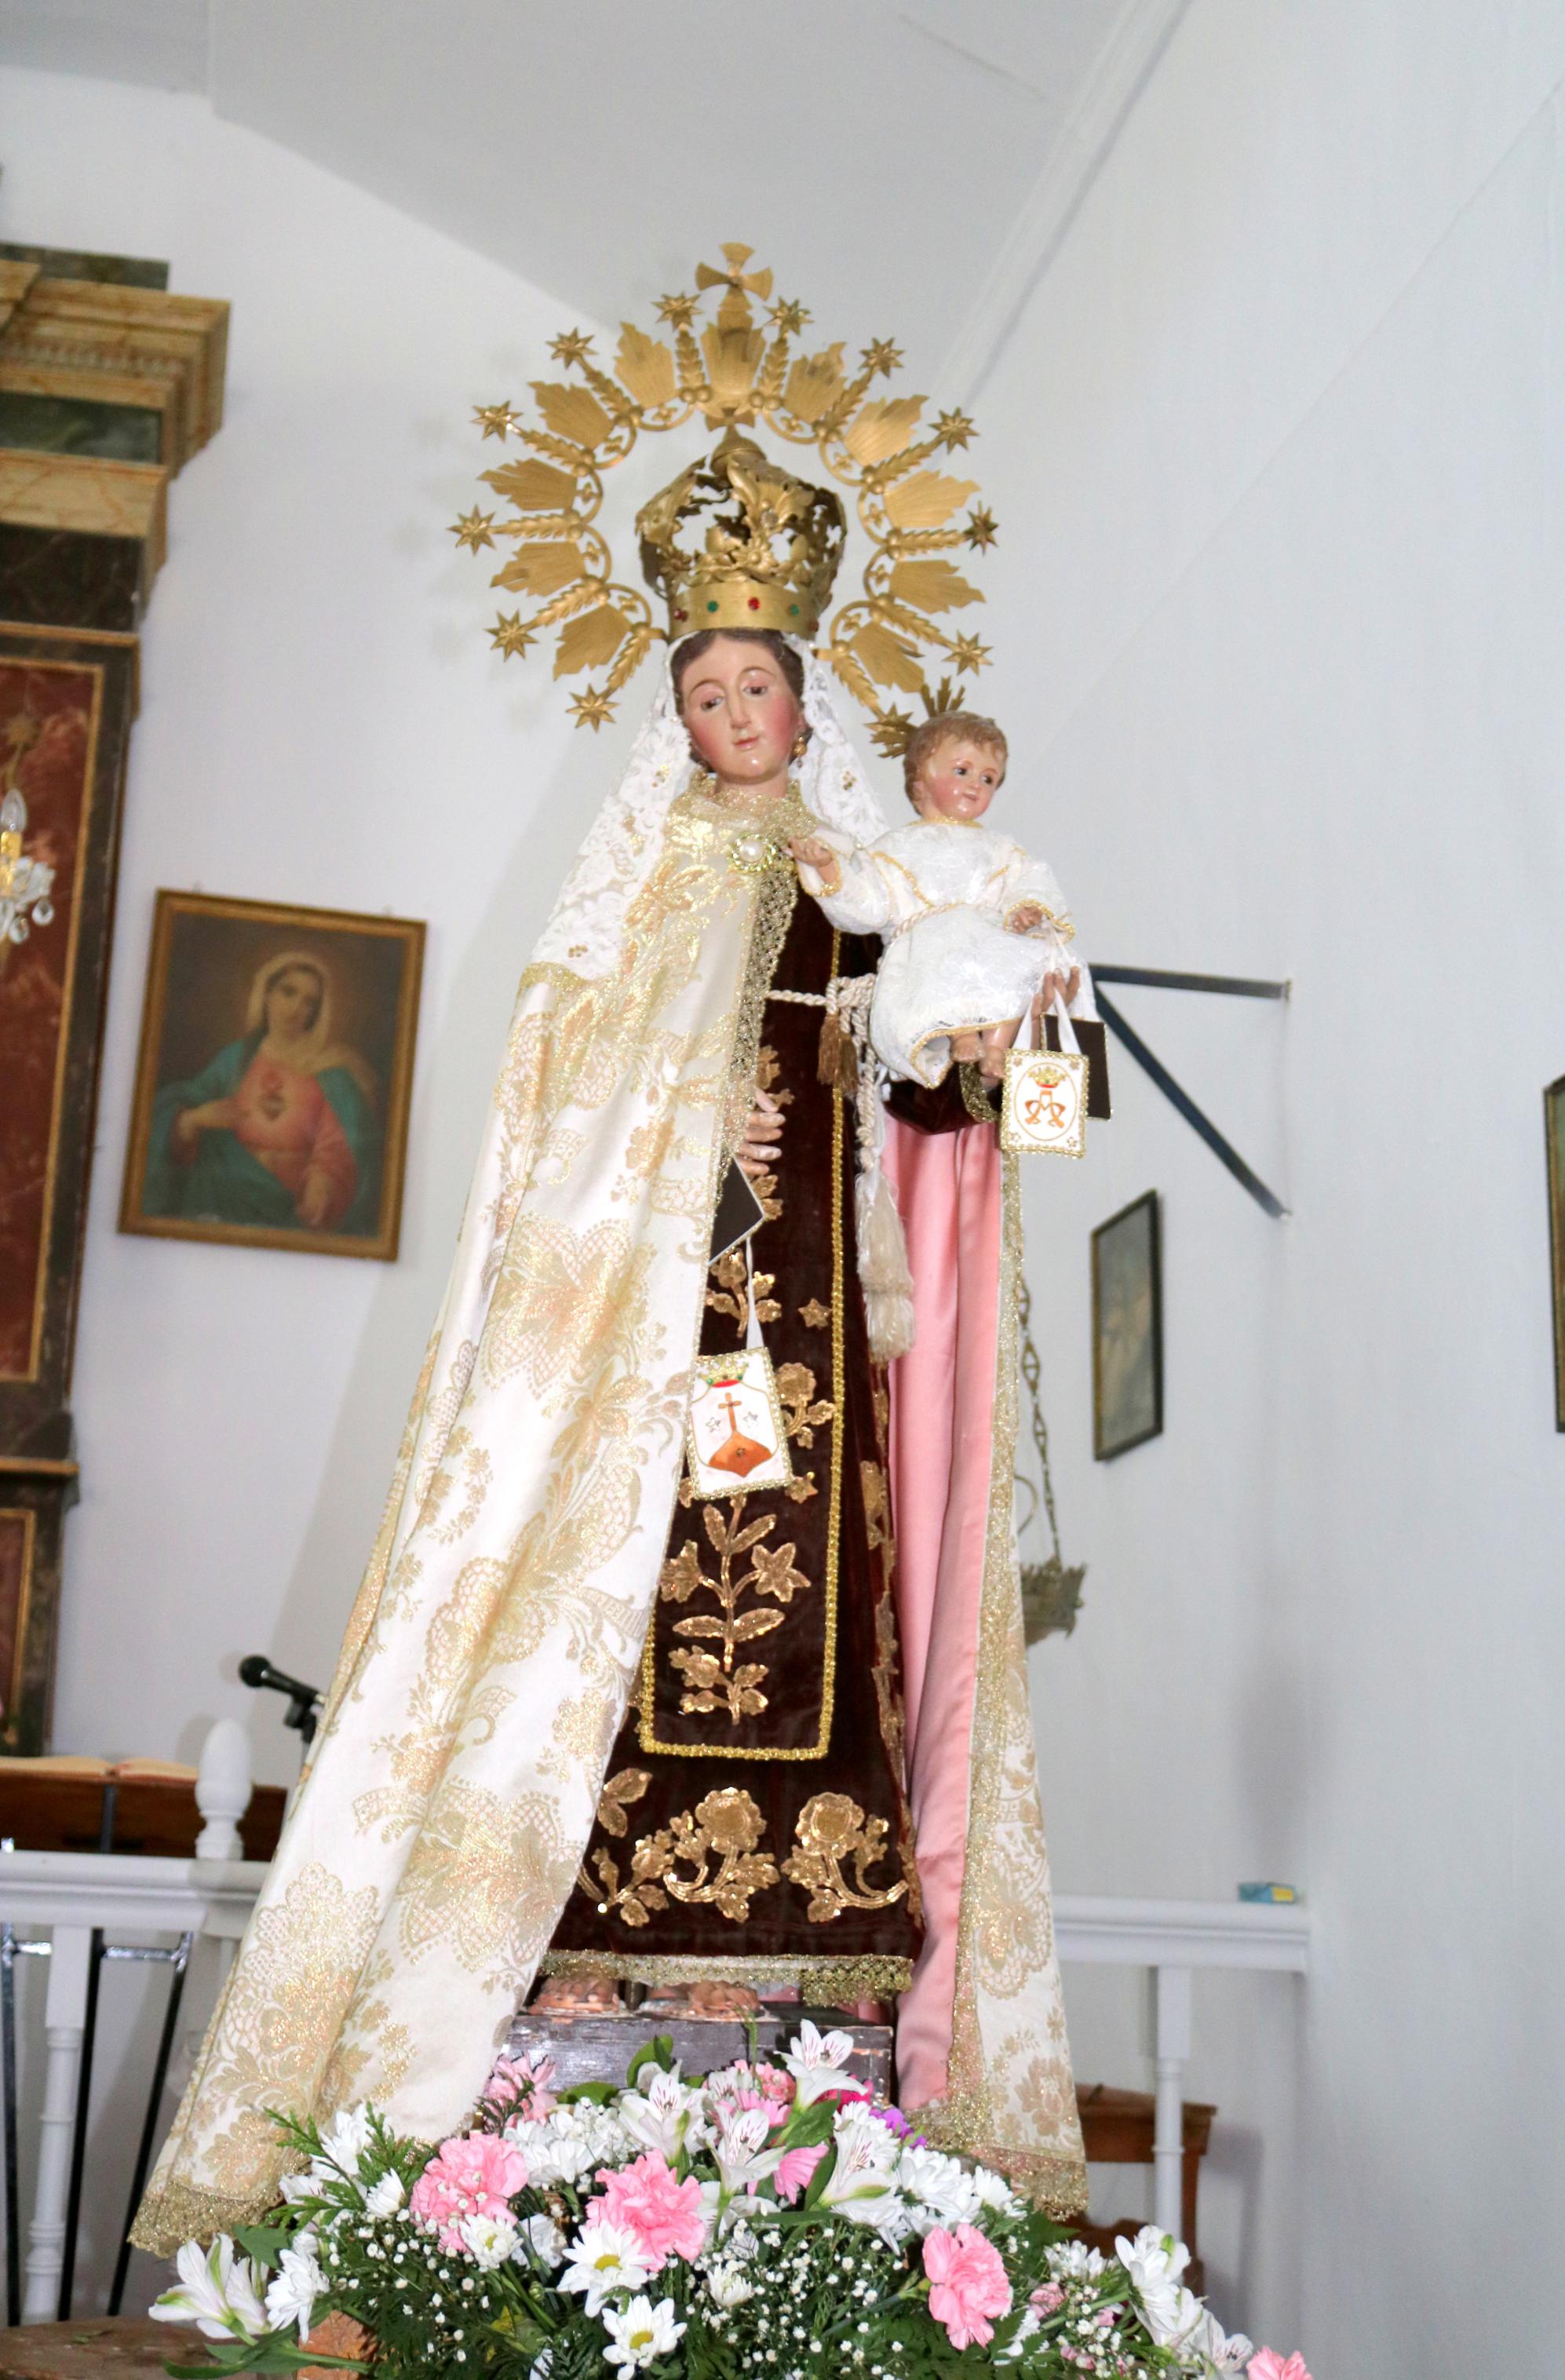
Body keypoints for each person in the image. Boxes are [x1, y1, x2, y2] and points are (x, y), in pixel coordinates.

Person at [132, 452, 1085, 2258]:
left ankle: (833, 1926)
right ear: (679, 721)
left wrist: (1017, 1022)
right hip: (671, 1322)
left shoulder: (882, 875)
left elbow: (971, 1110)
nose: (733, 714)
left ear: (808, 696)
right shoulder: (638, 885)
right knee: (645, 1596)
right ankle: (593, 1923)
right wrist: (677, 1143)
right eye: (702, 695)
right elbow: (566, 1104)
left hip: (827, 1324)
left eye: (755, 686)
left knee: (836, 1590)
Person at [790, 714, 1085, 1086]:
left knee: (1023, 965)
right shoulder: (894, 849)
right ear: (921, 775)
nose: (976, 785)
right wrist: (829, 868)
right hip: (927, 950)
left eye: (989, 778)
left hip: (990, 944)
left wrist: (1027, 908)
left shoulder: (1001, 848)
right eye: (962, 771)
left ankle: (997, 1046)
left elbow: (1031, 878)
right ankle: (960, 1033)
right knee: (948, 947)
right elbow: (869, 905)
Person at [142, 952, 380, 1235]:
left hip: (293, 1209)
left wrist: (324, 1178)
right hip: (224, 1198)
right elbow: (178, 1110)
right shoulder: (235, 1060)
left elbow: (342, 1146)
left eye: (309, 1002)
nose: (296, 1008)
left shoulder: (331, 1071)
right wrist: (192, 1119)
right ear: (266, 994)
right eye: (288, 992)